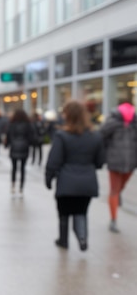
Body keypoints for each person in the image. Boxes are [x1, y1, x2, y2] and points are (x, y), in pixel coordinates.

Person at [45, 100, 105, 251]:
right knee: (81, 211)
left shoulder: (62, 136)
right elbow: (100, 162)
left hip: (66, 181)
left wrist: (49, 177)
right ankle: (82, 237)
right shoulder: (95, 136)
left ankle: (63, 240)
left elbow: (54, 160)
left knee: (64, 213)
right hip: (87, 182)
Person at [99, 102, 137, 233]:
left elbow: (101, 136)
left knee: (117, 189)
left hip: (127, 162)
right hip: (121, 161)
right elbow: (101, 137)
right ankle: (113, 219)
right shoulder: (116, 123)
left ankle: (114, 207)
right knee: (115, 189)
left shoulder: (131, 123)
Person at [5, 109, 35, 197]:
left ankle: (13, 185)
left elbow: (8, 135)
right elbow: (31, 136)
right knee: (22, 168)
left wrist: (7, 144)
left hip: (14, 147)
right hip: (24, 147)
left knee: (14, 168)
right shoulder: (28, 125)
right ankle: (21, 188)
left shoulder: (12, 124)